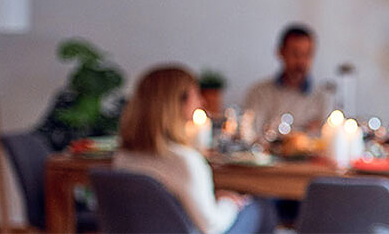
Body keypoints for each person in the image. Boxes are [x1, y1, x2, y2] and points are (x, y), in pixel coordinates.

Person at [114, 66, 273, 234]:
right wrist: (230, 203)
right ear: (178, 102)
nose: (201, 102)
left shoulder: (123, 156)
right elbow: (211, 226)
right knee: (259, 208)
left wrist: (215, 200)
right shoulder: (186, 160)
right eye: (196, 94)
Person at [242, 24, 337, 133]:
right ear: (281, 52)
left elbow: (327, 137)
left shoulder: (323, 98)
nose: (301, 61)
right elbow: (251, 134)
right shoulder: (259, 94)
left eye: (307, 54)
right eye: (295, 54)